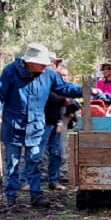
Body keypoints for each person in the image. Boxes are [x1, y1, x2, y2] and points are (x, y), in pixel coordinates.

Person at [0, 42, 84, 208]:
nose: (45, 67)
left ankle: (36, 195)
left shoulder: (48, 74)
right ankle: (10, 196)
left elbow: (64, 88)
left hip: (35, 126)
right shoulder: (11, 71)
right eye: (42, 64)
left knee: (34, 160)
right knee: (13, 163)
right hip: (13, 125)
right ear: (30, 62)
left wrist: (85, 90)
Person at [40, 59, 77, 190]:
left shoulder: (63, 87)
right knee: (39, 153)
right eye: (61, 75)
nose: (63, 78)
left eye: (65, 75)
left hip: (58, 122)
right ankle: (32, 179)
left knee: (57, 152)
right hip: (44, 122)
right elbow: (48, 97)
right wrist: (63, 100)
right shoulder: (43, 82)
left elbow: (73, 103)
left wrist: (68, 113)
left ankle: (54, 180)